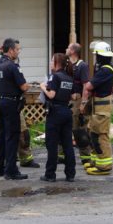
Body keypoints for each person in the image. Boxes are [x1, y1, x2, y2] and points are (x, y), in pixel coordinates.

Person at [0, 38, 30, 180]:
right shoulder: (12, 66)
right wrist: (29, 85)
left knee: (0, 136)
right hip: (10, 104)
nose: (18, 52)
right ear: (11, 50)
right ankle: (11, 171)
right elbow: (23, 86)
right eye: (17, 49)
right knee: (12, 136)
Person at [80, 41, 113, 176]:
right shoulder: (102, 68)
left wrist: (83, 102)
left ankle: (105, 165)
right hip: (98, 106)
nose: (95, 57)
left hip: (102, 107)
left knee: (101, 135)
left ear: (101, 56)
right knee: (93, 133)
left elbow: (89, 86)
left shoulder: (106, 70)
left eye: (96, 55)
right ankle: (97, 161)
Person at [39, 53, 76, 182]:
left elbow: (51, 95)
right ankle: (70, 174)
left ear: (57, 63)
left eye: (51, 61)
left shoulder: (55, 77)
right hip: (67, 112)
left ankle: (50, 174)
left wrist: (43, 87)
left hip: (55, 113)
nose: (50, 63)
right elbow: (73, 96)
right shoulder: (69, 78)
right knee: (67, 144)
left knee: (52, 144)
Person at [66, 42, 93, 168]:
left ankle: (86, 157)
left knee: (79, 129)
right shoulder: (67, 64)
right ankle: (62, 155)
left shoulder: (82, 66)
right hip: (67, 101)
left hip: (78, 100)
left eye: (68, 48)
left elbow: (85, 86)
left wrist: (83, 103)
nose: (66, 49)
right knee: (66, 127)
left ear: (73, 51)